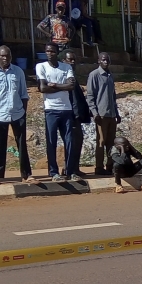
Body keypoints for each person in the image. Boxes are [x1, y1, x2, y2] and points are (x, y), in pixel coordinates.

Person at [36, 42, 77, 182]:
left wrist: (54, 85)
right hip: (51, 109)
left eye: (52, 51)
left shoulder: (66, 67)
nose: (49, 54)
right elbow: (42, 88)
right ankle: (53, 172)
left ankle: (70, 171)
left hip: (66, 109)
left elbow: (71, 85)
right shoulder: (41, 66)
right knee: (51, 141)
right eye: (47, 51)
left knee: (69, 141)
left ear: (57, 52)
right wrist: (62, 87)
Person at [0, 45, 36, 184]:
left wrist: (23, 113)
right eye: (2, 56)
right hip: (0, 114)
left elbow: (23, 94)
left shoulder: (18, 71)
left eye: (7, 56)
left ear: (11, 57)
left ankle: (26, 175)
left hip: (17, 113)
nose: (5, 58)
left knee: (22, 146)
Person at [85, 52, 120, 177]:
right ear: (99, 61)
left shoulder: (110, 75)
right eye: (103, 60)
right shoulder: (94, 75)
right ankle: (99, 167)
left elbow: (113, 96)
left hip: (111, 114)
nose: (106, 62)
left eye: (107, 60)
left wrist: (117, 113)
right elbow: (90, 96)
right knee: (101, 141)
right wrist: (94, 113)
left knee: (111, 142)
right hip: (101, 114)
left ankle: (110, 165)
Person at [62, 51, 90, 178]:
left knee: (78, 141)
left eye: (74, 60)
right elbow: (71, 98)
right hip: (71, 116)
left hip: (76, 115)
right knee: (72, 142)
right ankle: (70, 170)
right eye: (69, 60)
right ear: (64, 61)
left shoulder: (72, 76)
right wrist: (76, 115)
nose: (72, 62)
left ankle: (75, 168)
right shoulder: (66, 77)